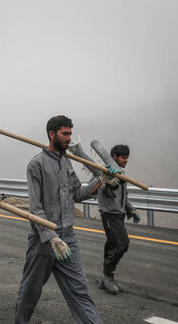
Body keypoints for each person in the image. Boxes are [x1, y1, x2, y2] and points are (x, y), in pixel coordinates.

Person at [14, 115, 116, 324]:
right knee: (30, 291)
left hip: (68, 238)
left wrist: (101, 180)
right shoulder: (37, 164)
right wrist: (51, 237)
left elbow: (78, 193)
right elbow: (35, 208)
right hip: (43, 242)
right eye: (65, 134)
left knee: (80, 292)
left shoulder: (67, 161)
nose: (69, 138)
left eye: (70, 133)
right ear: (52, 134)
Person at [96, 144, 140, 295]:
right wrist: (106, 181)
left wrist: (131, 210)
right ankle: (107, 276)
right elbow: (98, 188)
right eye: (123, 157)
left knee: (112, 244)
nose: (126, 160)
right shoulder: (104, 171)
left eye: (127, 157)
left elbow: (124, 196)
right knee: (122, 244)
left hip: (119, 214)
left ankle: (106, 277)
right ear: (114, 157)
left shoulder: (121, 174)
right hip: (109, 214)